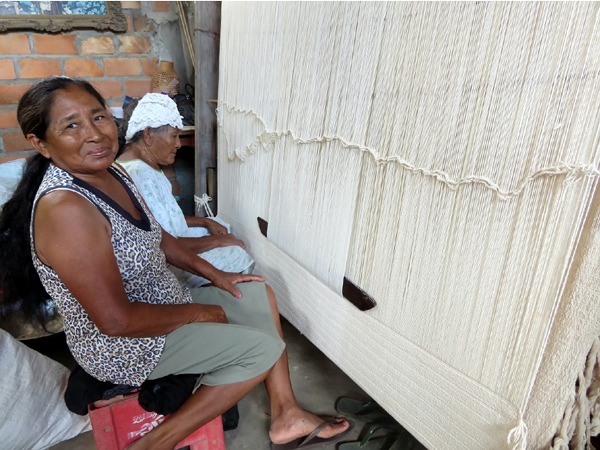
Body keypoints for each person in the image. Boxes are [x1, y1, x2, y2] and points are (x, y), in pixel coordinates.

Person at [0, 76, 350, 450]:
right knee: (260, 349)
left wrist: (218, 275)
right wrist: (199, 312)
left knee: (256, 293)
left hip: (164, 304)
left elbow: (159, 236)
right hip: (123, 345)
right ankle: (156, 442)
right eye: (71, 126)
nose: (95, 134)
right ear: (41, 143)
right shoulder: (66, 209)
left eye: (98, 117)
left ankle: (287, 413)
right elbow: (116, 321)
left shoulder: (111, 172)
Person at [116, 93, 254, 288]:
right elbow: (165, 245)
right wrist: (216, 242)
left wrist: (206, 221)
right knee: (236, 254)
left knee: (221, 226)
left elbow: (166, 216)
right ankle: (211, 297)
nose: (178, 144)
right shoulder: (139, 174)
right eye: (174, 136)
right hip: (164, 266)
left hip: (169, 245)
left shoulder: (138, 162)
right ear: (148, 134)